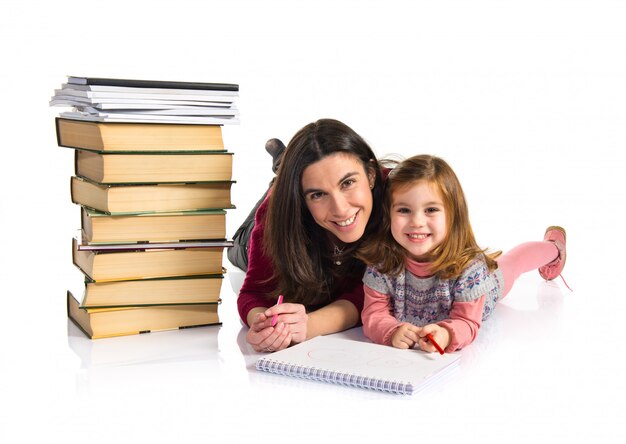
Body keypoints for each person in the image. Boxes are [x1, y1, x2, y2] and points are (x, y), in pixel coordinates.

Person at [358, 154, 568, 353]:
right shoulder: (382, 261)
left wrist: (447, 334)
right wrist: (391, 331)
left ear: (452, 214)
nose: (417, 222)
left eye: (431, 210)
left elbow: (467, 322)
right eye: (404, 210)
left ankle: (553, 247)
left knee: (514, 263)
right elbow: (373, 313)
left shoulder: (471, 269)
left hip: (482, 288)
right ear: (388, 214)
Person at [237, 118, 387, 352]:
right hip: (250, 242)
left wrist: (309, 325)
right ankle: (282, 177)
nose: (340, 208)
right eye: (318, 194)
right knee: (238, 247)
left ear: (371, 175)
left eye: (347, 182)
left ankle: (285, 164)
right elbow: (252, 294)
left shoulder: (403, 202)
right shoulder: (276, 215)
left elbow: (377, 293)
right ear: (301, 199)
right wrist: (266, 325)